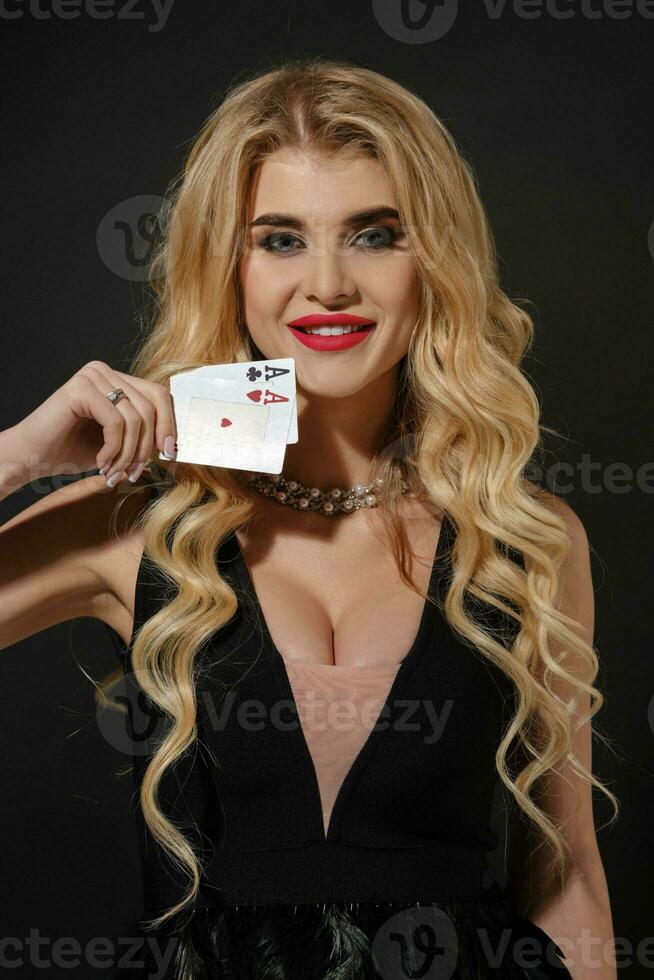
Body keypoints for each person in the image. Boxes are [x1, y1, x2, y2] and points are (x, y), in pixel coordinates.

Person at [0, 59, 618, 980]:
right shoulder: (134, 526)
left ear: (434, 259)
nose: (328, 283)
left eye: (375, 235)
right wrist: (21, 454)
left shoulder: (524, 537)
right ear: (230, 267)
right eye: (280, 240)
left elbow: (565, 876)